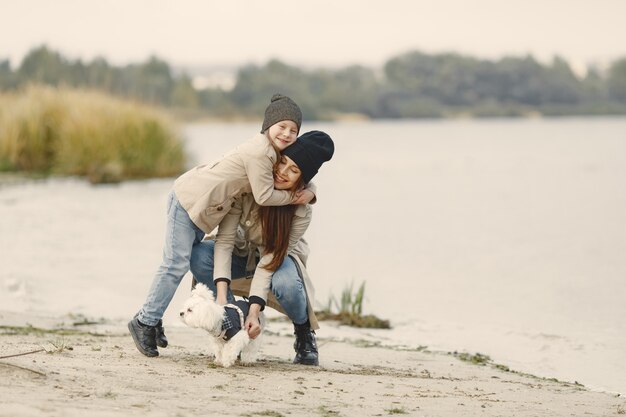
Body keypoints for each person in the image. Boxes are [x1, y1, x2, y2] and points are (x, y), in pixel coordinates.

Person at [129, 94, 317, 357]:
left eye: (293, 130)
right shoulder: (260, 152)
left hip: (204, 212)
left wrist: (310, 191)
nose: (286, 134)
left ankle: (158, 317)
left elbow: (302, 170)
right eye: (281, 127)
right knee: (176, 263)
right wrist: (297, 196)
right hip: (189, 200)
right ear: (267, 125)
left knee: (179, 262)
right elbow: (264, 196)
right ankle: (145, 321)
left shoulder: (274, 155)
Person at [189, 130, 334, 365]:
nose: (283, 172)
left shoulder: (301, 210)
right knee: (198, 256)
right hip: (239, 251)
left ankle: (303, 331)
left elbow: (270, 261)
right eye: (283, 162)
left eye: (294, 171)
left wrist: (255, 311)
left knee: (287, 284)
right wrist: (223, 299)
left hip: (275, 259)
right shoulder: (250, 183)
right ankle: (230, 321)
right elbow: (224, 242)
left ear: (302, 180)